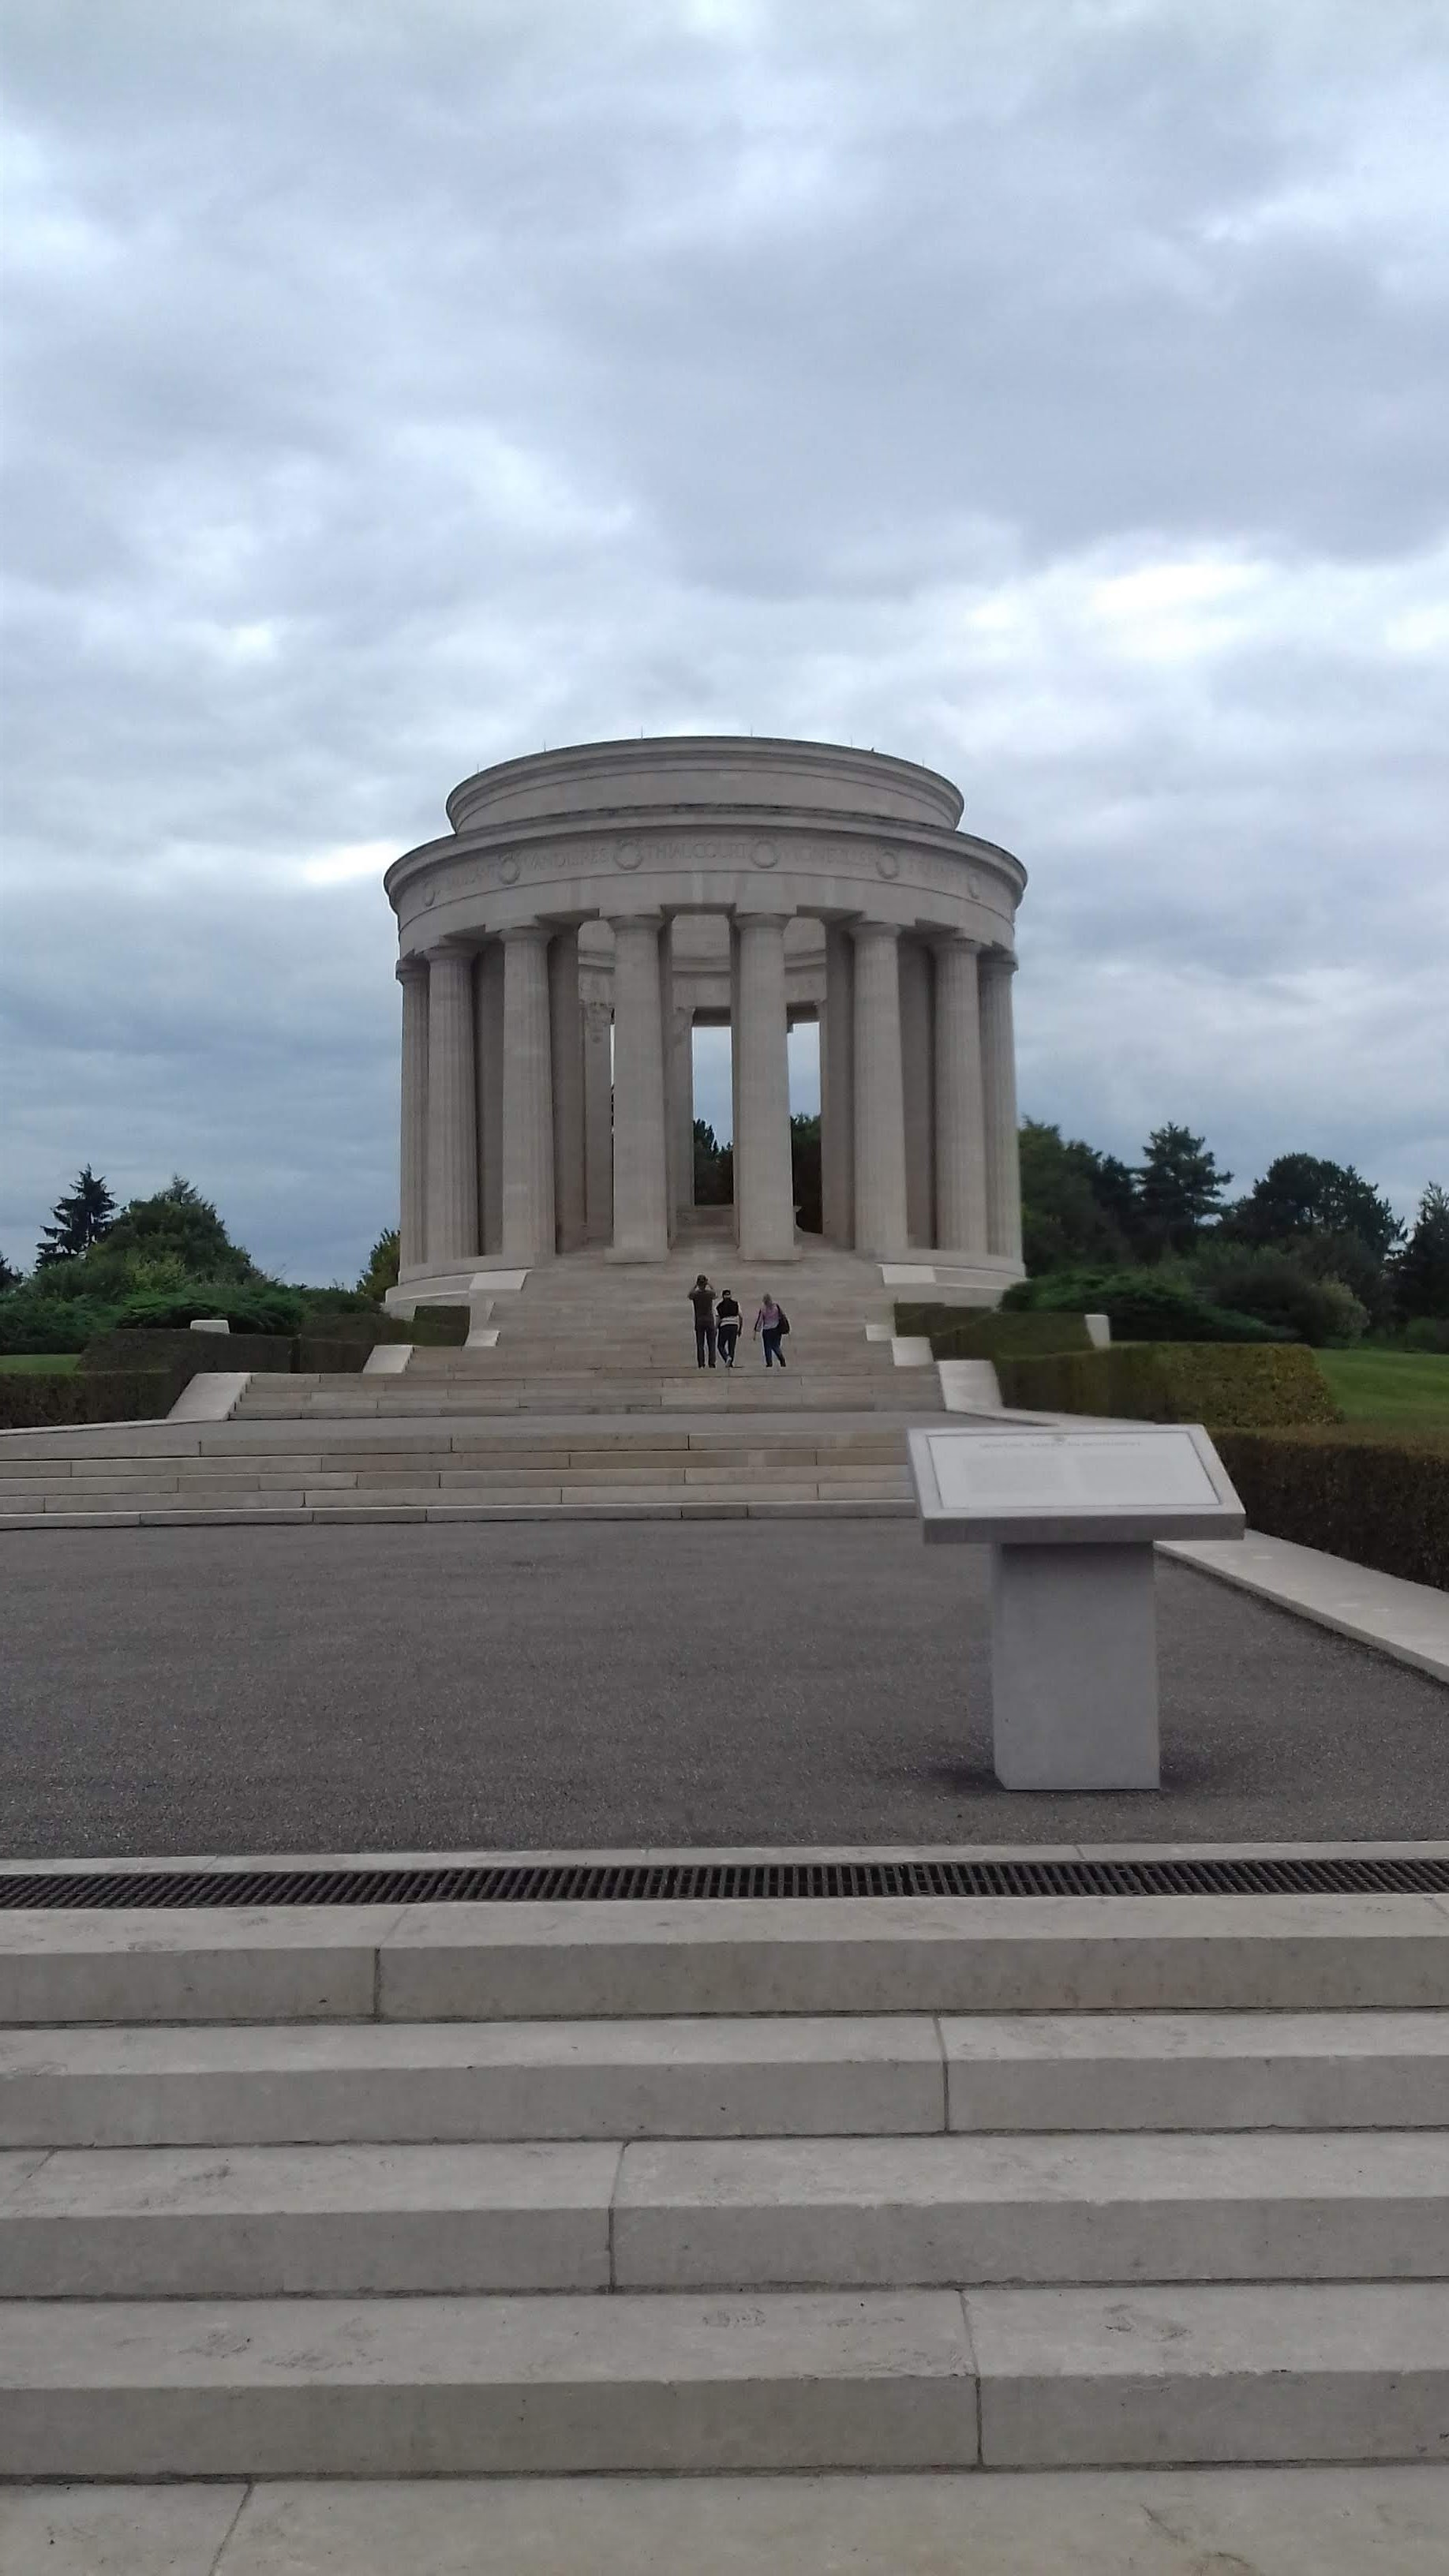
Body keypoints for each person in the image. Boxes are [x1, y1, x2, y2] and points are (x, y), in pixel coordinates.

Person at [754, 1290, 790, 1368]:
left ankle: (769, 1363)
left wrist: (757, 1330)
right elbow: (782, 1316)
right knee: (776, 1346)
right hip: (776, 1329)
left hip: (767, 1330)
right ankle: (781, 1359)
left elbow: (760, 1320)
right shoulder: (776, 1307)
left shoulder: (763, 1309)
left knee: (767, 1347)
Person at [687, 1273, 717, 1369]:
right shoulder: (709, 1294)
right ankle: (712, 1363)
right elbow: (715, 1293)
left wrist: (695, 1285)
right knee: (711, 1343)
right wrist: (709, 1284)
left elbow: (689, 1295)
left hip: (699, 1320)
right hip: (709, 1320)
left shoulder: (696, 1295)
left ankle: (701, 1364)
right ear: (705, 1283)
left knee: (700, 1344)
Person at [715, 1287, 741, 1368]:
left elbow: (718, 1319)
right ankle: (730, 1363)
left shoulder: (719, 1306)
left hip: (724, 1326)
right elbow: (741, 1317)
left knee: (720, 1345)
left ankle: (726, 1358)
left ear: (723, 1296)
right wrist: (740, 1328)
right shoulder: (736, 1304)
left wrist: (716, 1329)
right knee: (732, 1346)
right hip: (734, 1325)